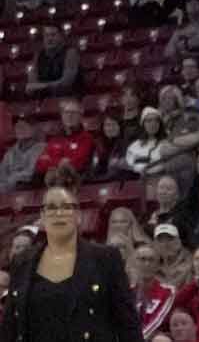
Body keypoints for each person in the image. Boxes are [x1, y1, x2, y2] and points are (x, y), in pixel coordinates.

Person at [0, 162, 140, 342]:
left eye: (66, 207)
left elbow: (129, 326)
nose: (59, 213)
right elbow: (10, 329)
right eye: (51, 208)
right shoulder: (22, 262)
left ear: (78, 216)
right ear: (42, 217)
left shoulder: (106, 259)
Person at [34, 99, 94, 181]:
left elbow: (77, 164)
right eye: (66, 112)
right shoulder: (55, 139)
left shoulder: (86, 138)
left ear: (80, 116)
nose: (69, 116)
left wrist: (51, 161)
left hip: (74, 183)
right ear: (62, 116)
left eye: (73, 113)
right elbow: (40, 164)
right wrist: (61, 162)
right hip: (51, 183)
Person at [24, 25, 81, 97]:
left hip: (69, 98)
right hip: (45, 100)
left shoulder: (70, 53)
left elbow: (66, 83)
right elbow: (31, 86)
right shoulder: (38, 56)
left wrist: (42, 86)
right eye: (46, 36)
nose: (50, 39)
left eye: (53, 35)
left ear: (61, 37)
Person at [0, 116, 45, 192]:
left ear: (33, 129)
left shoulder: (41, 148)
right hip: (7, 189)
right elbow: (2, 173)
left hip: (29, 188)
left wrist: (12, 178)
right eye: (18, 127)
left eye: (25, 126)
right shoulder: (10, 152)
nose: (21, 129)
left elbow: (31, 173)